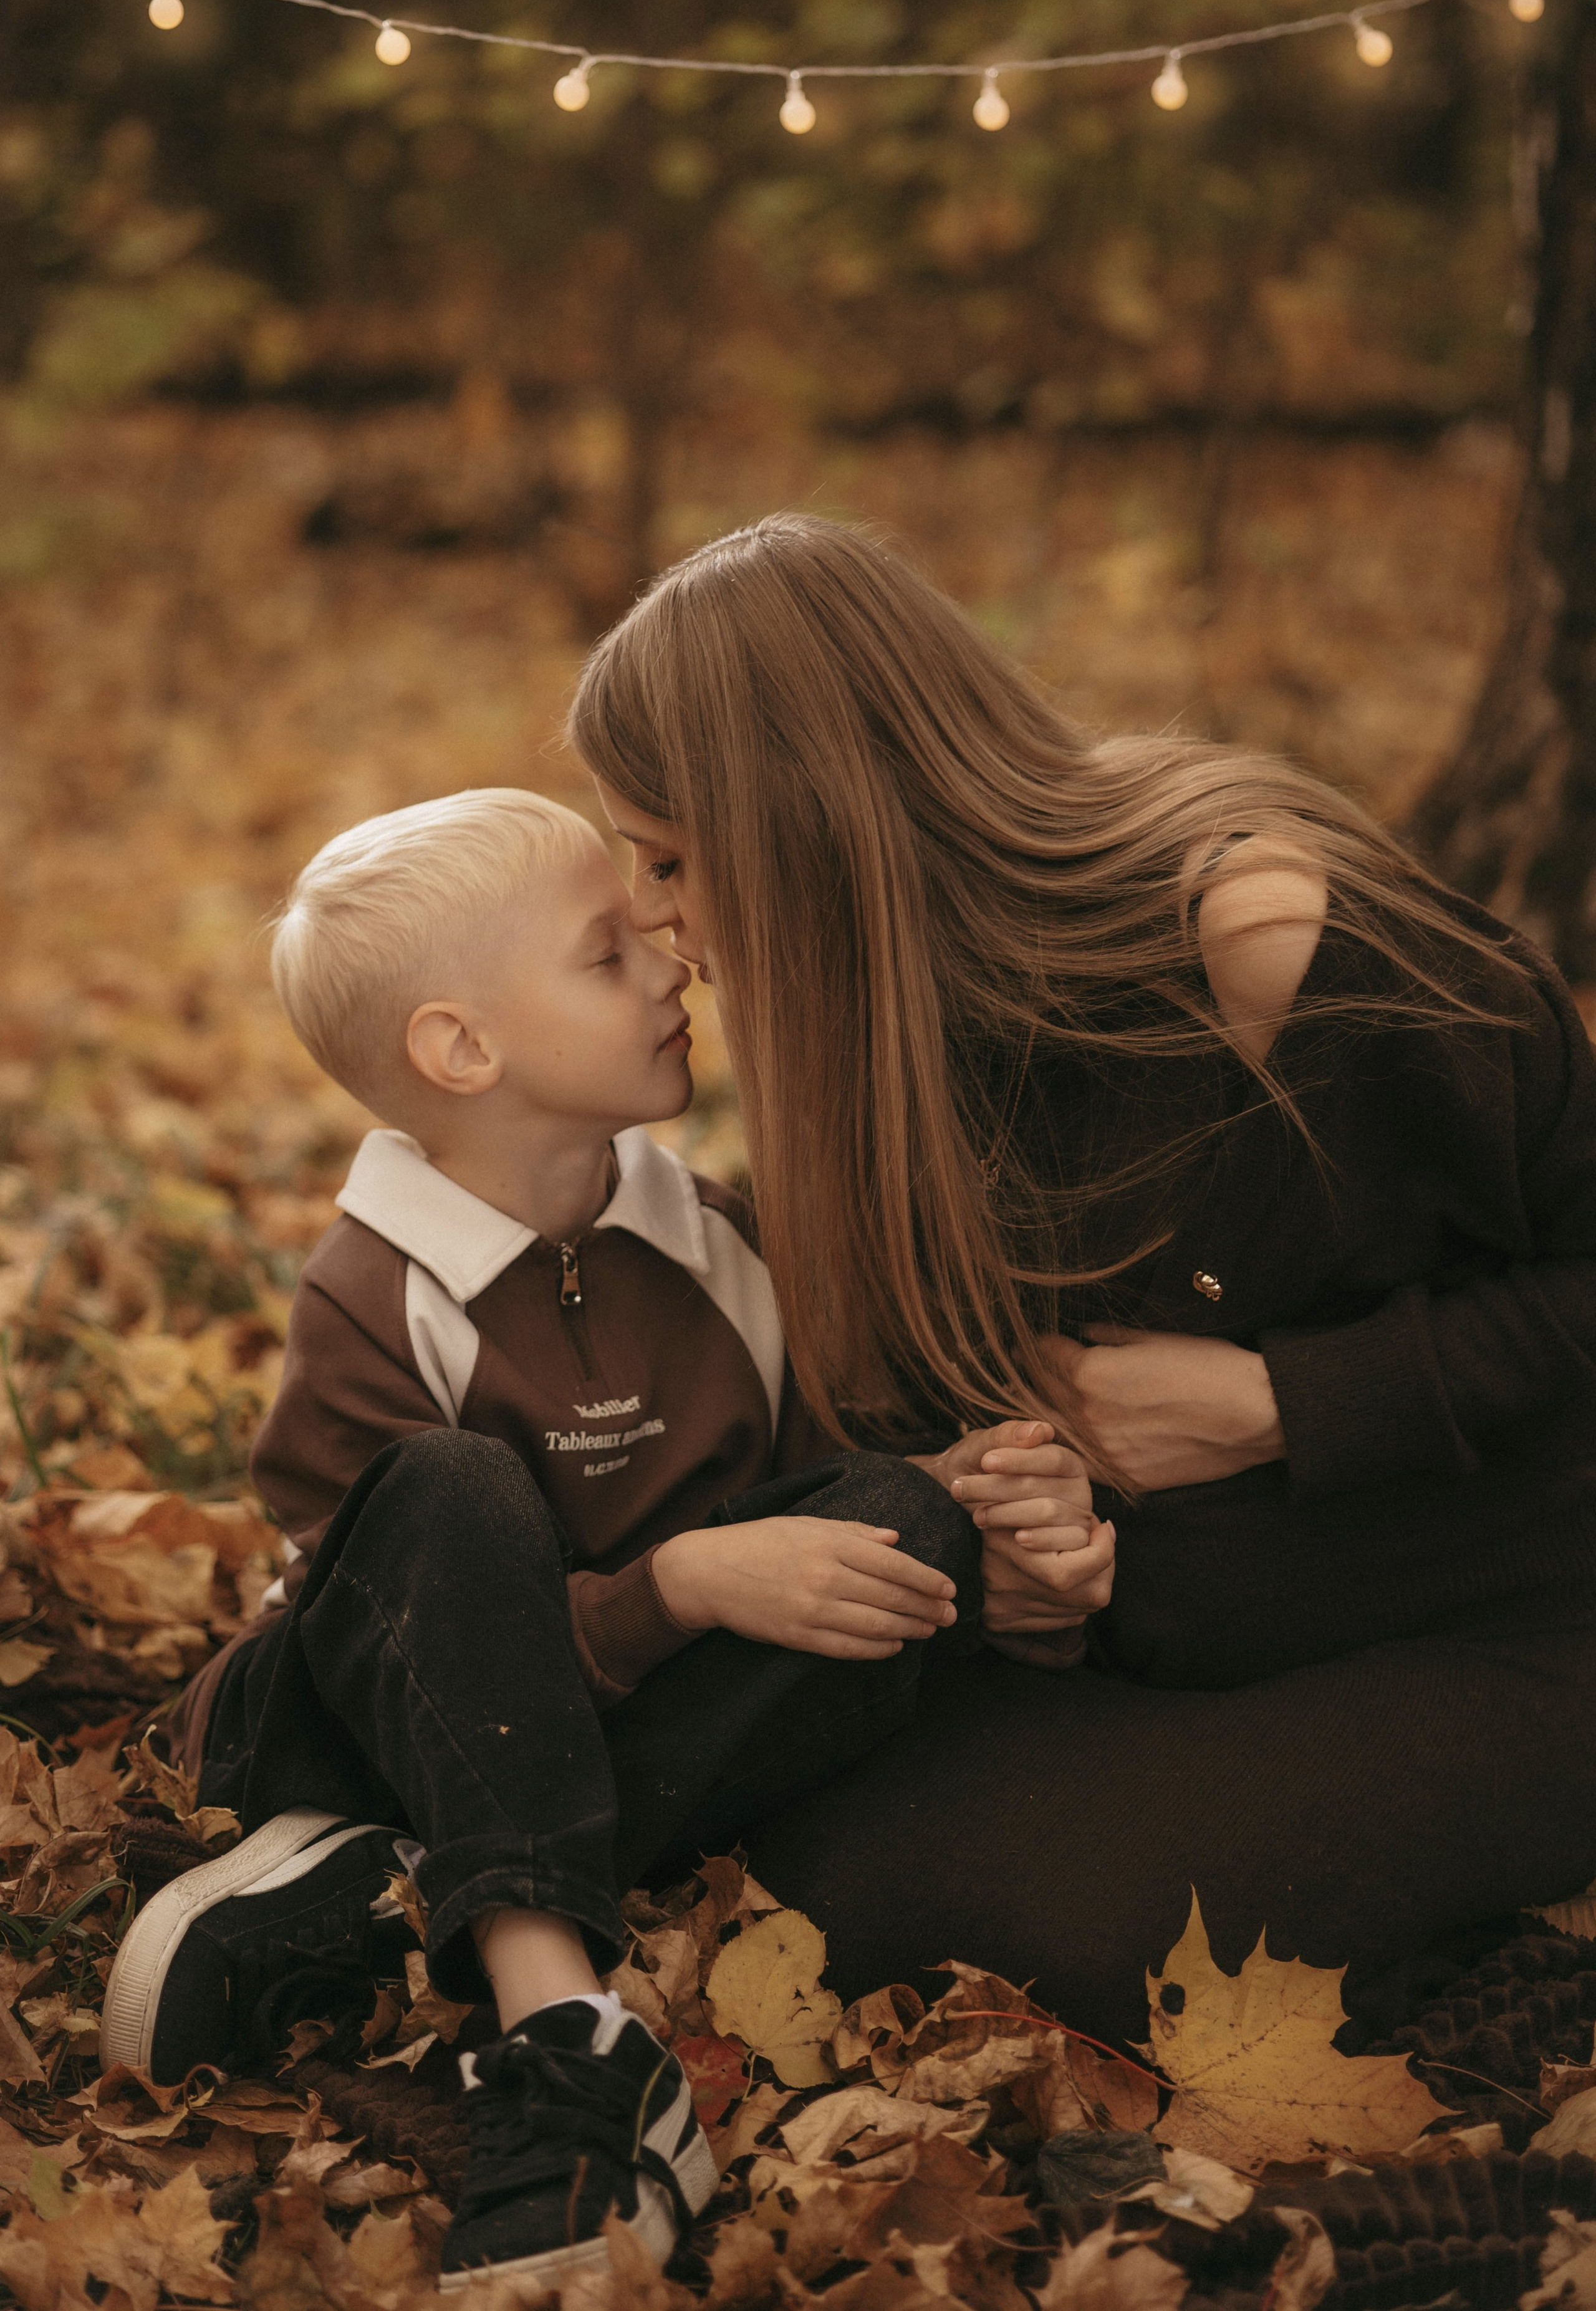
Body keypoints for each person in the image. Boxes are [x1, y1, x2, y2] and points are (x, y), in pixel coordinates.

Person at [570, 510, 1596, 2053]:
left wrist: (1279, 1403)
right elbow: (953, 1423)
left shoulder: (1263, 941)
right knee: (808, 1857)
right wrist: (1025, 1544)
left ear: (800, 824)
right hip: (1184, 1651)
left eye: (666, 858)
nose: (650, 914)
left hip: (1518, 1611)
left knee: (1101, 1933)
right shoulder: (887, 1046)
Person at [103, 787, 1109, 2292]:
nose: (670, 963)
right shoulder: (377, 1298)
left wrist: (975, 1513)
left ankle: (382, 1901)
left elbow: (823, 1490)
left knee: (904, 1519)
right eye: (606, 953)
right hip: (356, 1725)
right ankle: (564, 2032)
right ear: (462, 1050)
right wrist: (673, 1588)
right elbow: (402, 1637)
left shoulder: (716, 1245)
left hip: (599, 1758)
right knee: (448, 1485)